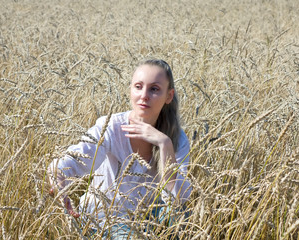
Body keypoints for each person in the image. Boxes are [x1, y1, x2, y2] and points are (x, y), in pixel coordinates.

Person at [48, 58, 192, 239]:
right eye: (138, 86)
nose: (144, 95)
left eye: (154, 89)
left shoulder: (175, 138)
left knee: (183, 219)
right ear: (130, 89)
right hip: (105, 218)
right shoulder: (111, 127)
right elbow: (72, 161)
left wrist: (164, 145)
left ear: (168, 96)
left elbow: (178, 199)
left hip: (148, 217)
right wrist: (59, 177)